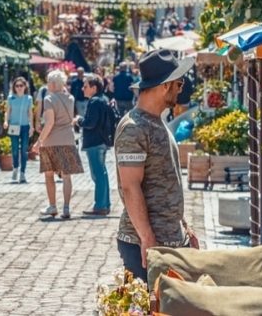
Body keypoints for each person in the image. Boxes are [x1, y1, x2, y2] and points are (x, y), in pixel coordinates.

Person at [114, 49, 199, 282]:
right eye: (179, 84)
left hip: (169, 240)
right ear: (165, 86)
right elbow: (130, 187)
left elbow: (167, 180)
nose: (181, 89)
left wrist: (183, 226)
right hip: (146, 244)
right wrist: (147, 239)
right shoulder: (134, 127)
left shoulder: (156, 122)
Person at [33, 69, 84, 219]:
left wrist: (38, 141)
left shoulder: (49, 99)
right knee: (67, 176)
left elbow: (49, 123)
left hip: (51, 141)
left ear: (54, 84)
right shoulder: (71, 98)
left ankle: (52, 206)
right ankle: (66, 208)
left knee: (49, 175)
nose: (47, 84)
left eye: (49, 81)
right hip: (68, 139)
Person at [74, 76, 111, 216]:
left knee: (98, 174)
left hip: (95, 142)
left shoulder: (94, 101)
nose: (83, 89)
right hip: (101, 141)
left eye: (85, 86)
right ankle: (104, 204)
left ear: (94, 88)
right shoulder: (103, 99)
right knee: (102, 173)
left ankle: (100, 205)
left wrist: (79, 120)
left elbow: (90, 123)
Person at [4, 77, 33, 184]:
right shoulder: (11, 98)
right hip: (14, 127)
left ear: (25, 87)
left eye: (21, 85)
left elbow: (30, 113)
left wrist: (32, 126)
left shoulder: (28, 98)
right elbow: (7, 112)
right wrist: (6, 121)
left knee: (24, 150)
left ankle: (22, 173)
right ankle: (15, 167)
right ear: (14, 87)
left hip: (25, 126)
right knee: (15, 149)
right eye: (17, 86)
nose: (19, 88)